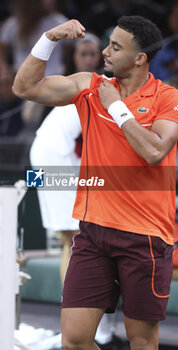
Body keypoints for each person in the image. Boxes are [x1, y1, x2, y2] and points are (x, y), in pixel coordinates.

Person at [13, 15, 178, 350]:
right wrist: (48, 38)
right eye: (108, 43)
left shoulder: (170, 97)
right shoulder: (89, 87)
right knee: (75, 340)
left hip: (146, 237)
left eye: (115, 47)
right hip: (93, 232)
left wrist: (117, 108)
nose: (105, 52)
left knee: (142, 341)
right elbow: (23, 88)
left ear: (140, 58)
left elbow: (153, 151)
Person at [30, 33, 103, 284]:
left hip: (45, 153)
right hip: (53, 155)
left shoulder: (88, 85)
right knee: (73, 237)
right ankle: (72, 310)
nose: (90, 59)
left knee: (72, 238)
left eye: (94, 53)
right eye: (84, 53)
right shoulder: (94, 86)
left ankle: (73, 309)